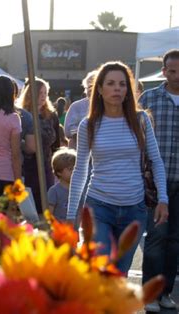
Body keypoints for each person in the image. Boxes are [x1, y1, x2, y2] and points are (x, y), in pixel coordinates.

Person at [67, 61, 168, 275]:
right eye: (111, 83)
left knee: (118, 275)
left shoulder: (141, 120)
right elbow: (80, 169)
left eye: (122, 84)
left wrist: (163, 199)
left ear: (128, 90)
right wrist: (70, 217)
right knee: (102, 270)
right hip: (98, 207)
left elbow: (156, 160)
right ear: (100, 89)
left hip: (135, 208)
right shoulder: (89, 124)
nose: (117, 89)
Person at [140, 49, 179, 312]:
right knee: (155, 239)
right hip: (157, 182)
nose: (177, 75)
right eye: (172, 70)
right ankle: (149, 294)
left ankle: (165, 293)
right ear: (163, 71)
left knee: (175, 241)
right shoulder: (149, 98)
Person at [20, 77, 62, 212]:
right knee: (29, 204)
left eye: (45, 93)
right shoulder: (22, 115)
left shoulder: (51, 115)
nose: (43, 96)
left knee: (47, 201)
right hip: (27, 165)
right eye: (40, 93)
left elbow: (56, 143)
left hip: (46, 164)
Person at [64, 70, 97, 149]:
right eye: (88, 87)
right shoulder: (76, 106)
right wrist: (81, 133)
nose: (90, 90)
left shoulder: (110, 106)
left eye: (93, 86)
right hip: (79, 150)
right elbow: (68, 130)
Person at [48, 148, 76, 221]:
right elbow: (49, 214)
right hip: (60, 229)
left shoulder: (79, 190)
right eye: (70, 169)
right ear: (59, 172)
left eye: (75, 168)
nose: (74, 171)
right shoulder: (54, 191)